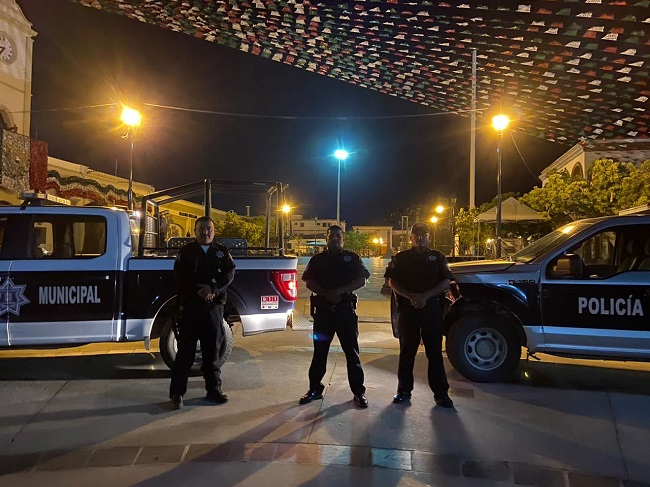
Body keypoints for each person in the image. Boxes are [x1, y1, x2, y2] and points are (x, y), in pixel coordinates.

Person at [299, 225, 371, 409]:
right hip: (323, 314)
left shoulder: (352, 258)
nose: (335, 239)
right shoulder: (317, 259)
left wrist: (339, 291)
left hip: (345, 312)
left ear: (343, 238)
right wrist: (326, 294)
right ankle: (314, 389)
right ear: (326, 239)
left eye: (338, 236)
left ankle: (358, 392)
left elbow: (362, 280)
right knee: (319, 353)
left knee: (352, 353)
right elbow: (308, 282)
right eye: (331, 236)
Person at [384, 222, 455, 408]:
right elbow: (392, 281)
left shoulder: (438, 257)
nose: (420, 238)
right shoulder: (401, 258)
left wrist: (425, 297)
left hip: (432, 310)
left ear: (429, 237)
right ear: (411, 238)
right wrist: (410, 297)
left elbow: (446, 282)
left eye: (424, 235)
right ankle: (403, 391)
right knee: (407, 353)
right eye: (417, 235)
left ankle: (441, 394)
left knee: (434, 353)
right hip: (408, 311)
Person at [169, 216, 236, 409]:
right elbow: (180, 276)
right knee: (185, 353)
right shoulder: (186, 252)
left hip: (213, 308)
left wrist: (212, 289)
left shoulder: (222, 252)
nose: (205, 232)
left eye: (209, 229)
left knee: (212, 351)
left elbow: (229, 274)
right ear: (195, 231)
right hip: (191, 307)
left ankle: (214, 390)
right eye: (201, 229)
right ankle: (177, 393)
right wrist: (199, 290)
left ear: (214, 231)